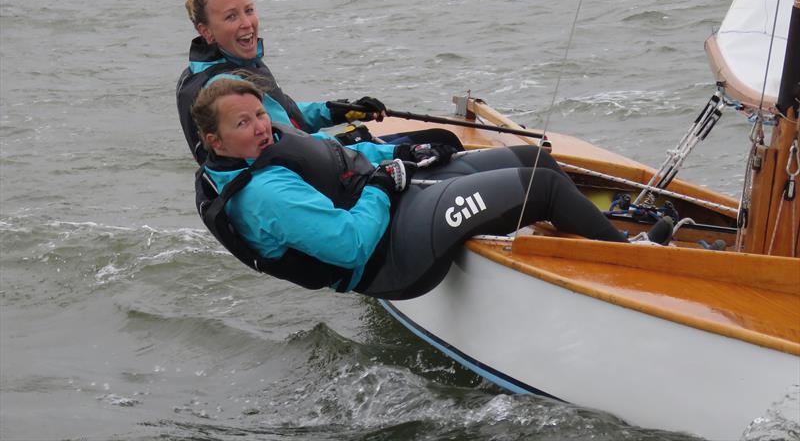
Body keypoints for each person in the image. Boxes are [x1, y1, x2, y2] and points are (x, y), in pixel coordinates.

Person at [193, 78, 674, 300]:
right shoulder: (264, 196)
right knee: (539, 186)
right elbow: (350, 244)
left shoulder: (271, 144)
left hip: (397, 204)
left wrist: (405, 152)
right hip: (389, 257)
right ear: (215, 141)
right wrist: (382, 187)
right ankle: (641, 260)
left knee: (534, 157)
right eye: (243, 123)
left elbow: (339, 160)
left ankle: (593, 239)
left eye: (259, 114)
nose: (260, 127)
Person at [177, 0, 386, 163]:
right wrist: (354, 141)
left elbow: (283, 110)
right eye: (231, 17)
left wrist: (337, 111)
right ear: (206, 31)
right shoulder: (227, 87)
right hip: (284, 183)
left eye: (249, 11)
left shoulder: (214, 68)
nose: (247, 23)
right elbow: (289, 146)